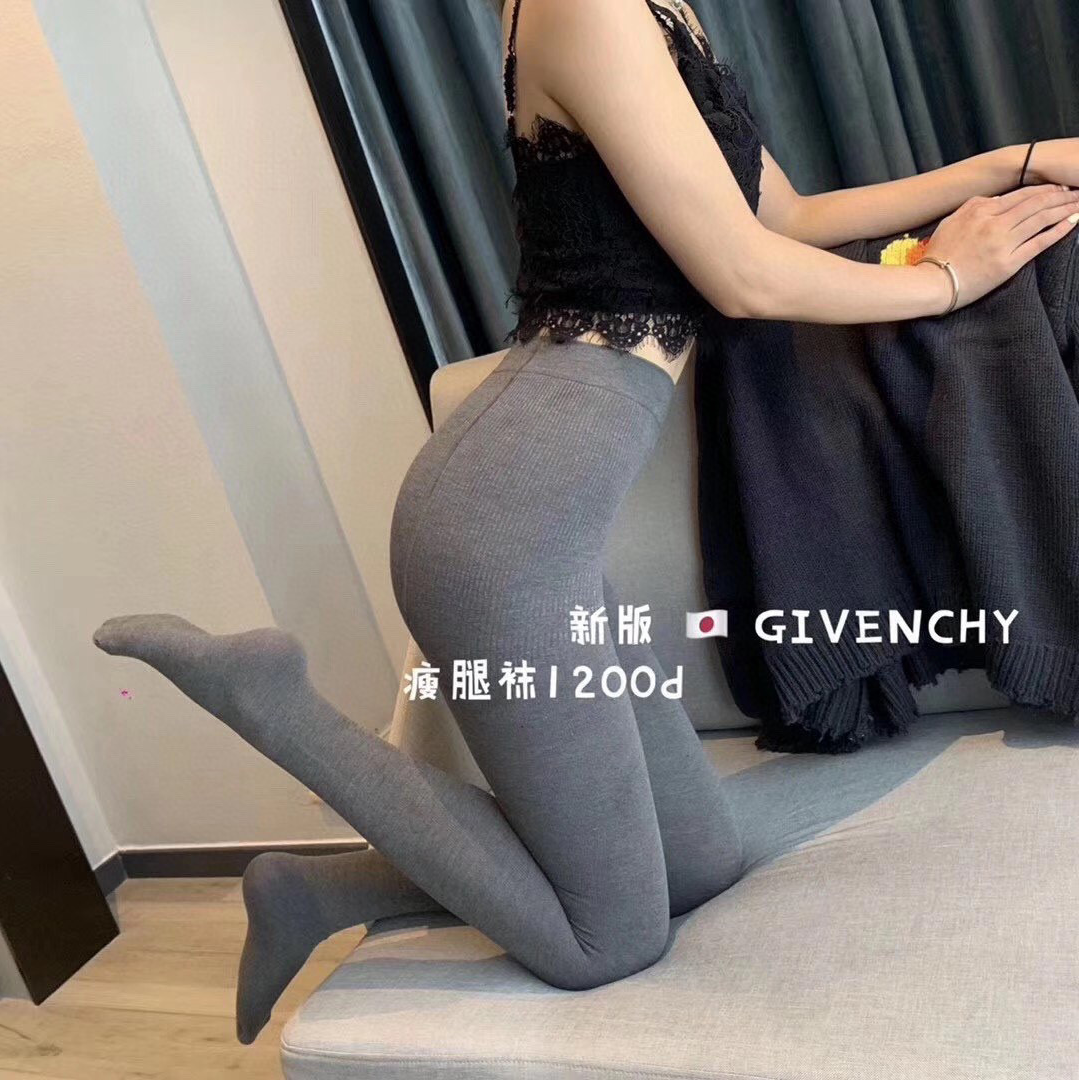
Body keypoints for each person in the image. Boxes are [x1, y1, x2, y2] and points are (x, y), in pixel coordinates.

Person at [91, 0, 1079, 1044]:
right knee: (608, 940)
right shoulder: (582, 9)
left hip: (552, 541)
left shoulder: (660, 9)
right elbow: (744, 277)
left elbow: (779, 219)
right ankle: (268, 698)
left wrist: (1005, 167)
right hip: (494, 538)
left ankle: (316, 892)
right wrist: (947, 280)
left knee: (700, 865)